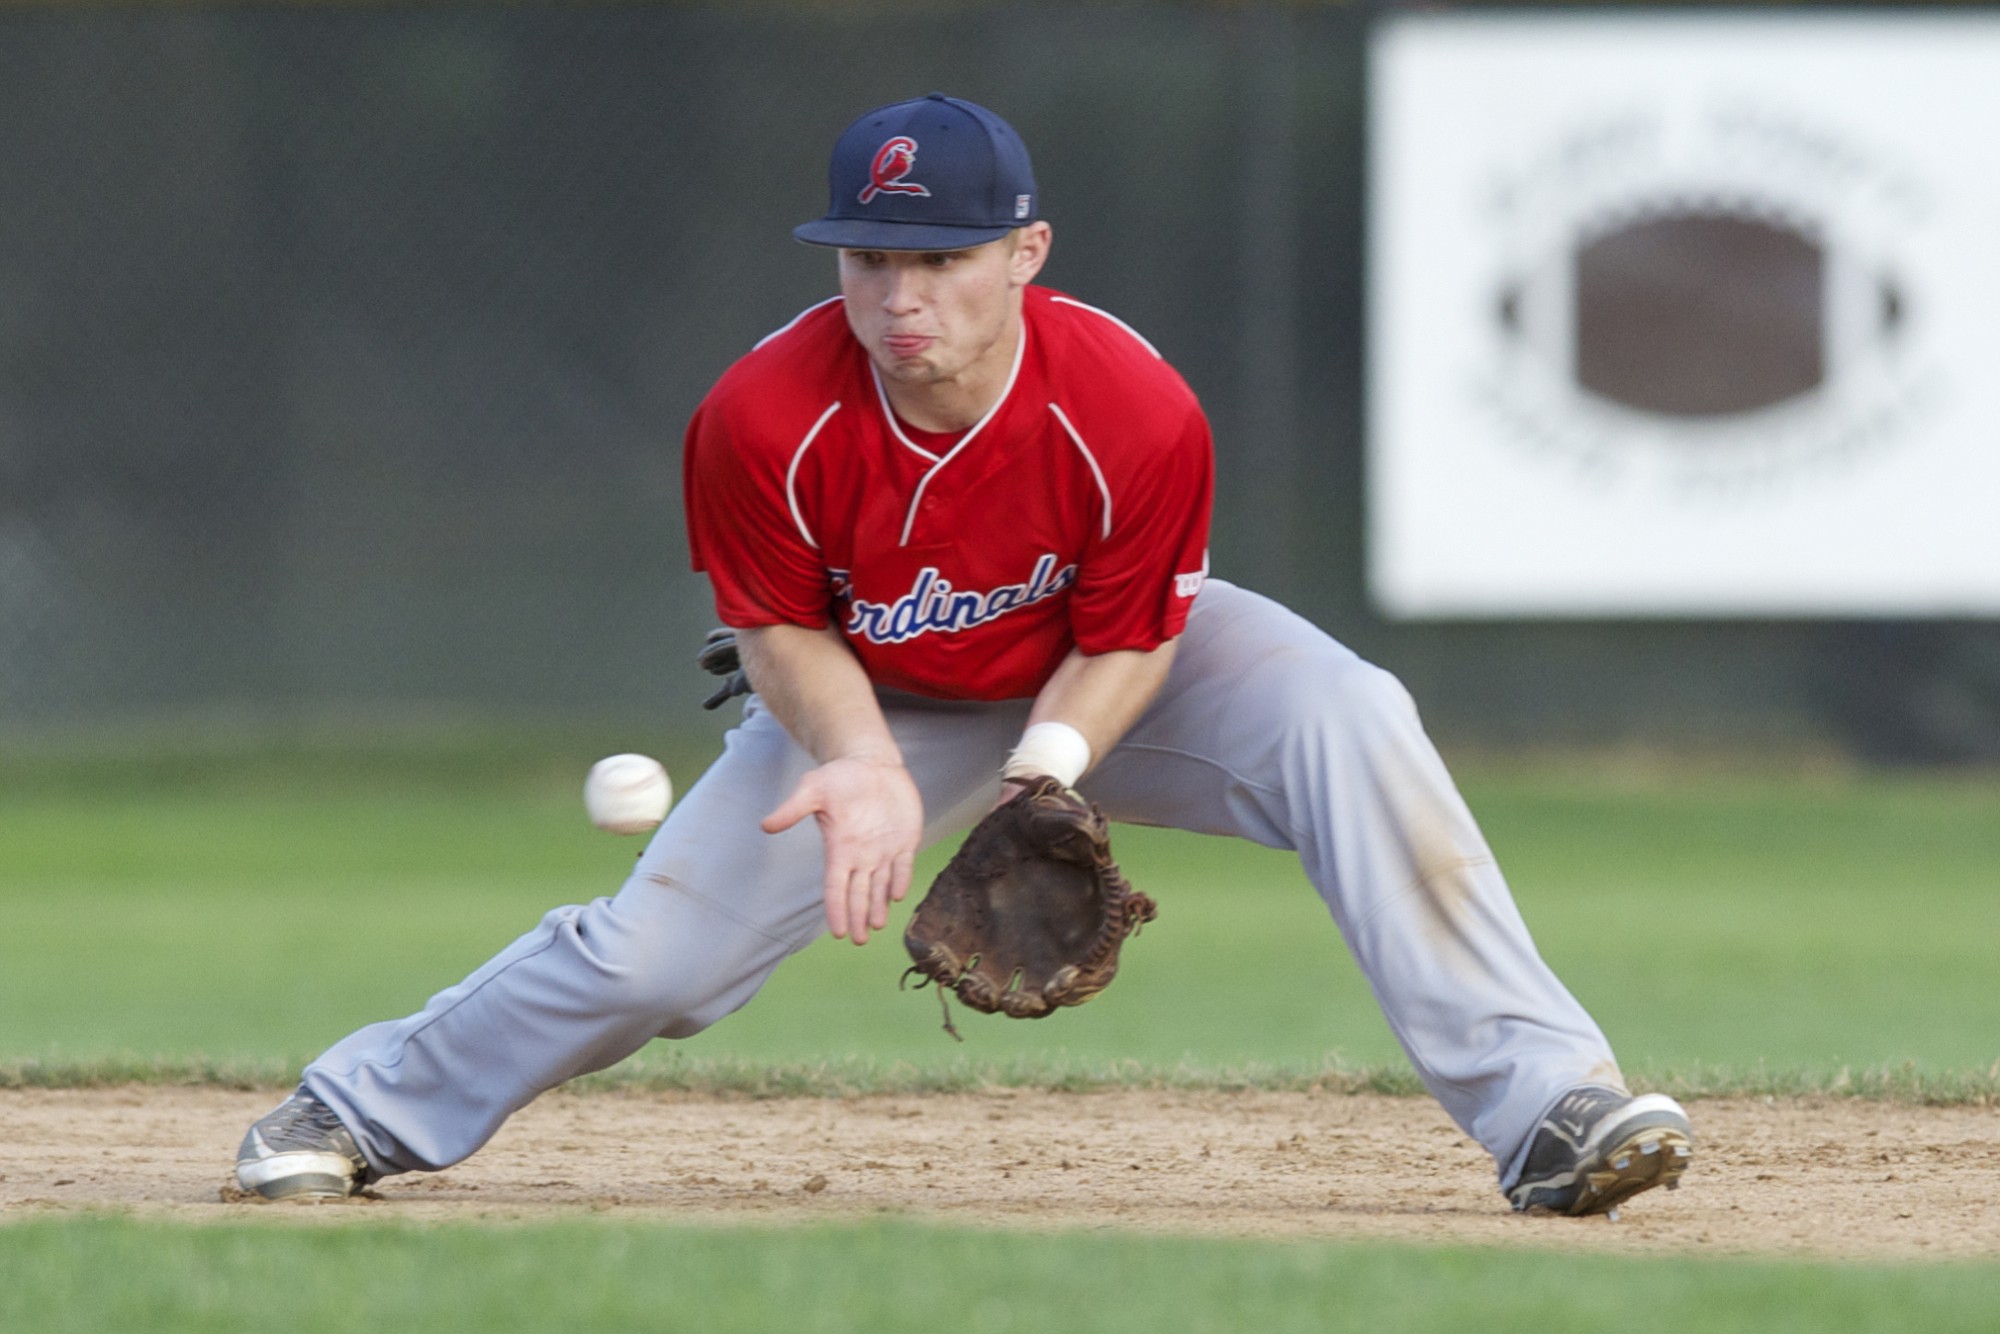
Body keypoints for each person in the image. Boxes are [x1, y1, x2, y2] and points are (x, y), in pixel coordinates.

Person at [235, 92, 1692, 1217]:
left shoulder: (1132, 407)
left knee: (1349, 715)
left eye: (940, 258)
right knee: (657, 960)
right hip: (880, 700)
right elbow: (779, 627)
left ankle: (1548, 1108)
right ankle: (352, 1109)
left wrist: (1043, 777)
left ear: (1026, 254)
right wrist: (861, 759)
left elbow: (1134, 638)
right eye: (870, 258)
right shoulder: (761, 416)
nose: (898, 297)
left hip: (1104, 673)